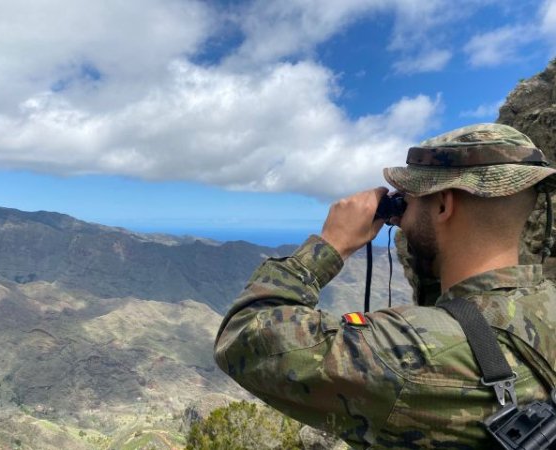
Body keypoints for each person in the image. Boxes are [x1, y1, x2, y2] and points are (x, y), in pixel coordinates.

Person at [213, 123, 556, 448]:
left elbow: (242, 337)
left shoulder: (410, 357)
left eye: (409, 197)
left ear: (442, 204)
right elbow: (461, 312)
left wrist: (330, 245)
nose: (401, 215)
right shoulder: (545, 304)